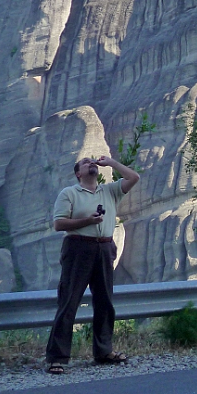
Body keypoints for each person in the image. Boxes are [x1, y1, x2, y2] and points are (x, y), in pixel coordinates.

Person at [45, 155, 140, 374]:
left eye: (93, 162)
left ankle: (104, 351)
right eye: (86, 163)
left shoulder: (109, 191)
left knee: (105, 301)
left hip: (105, 248)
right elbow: (59, 223)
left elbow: (133, 177)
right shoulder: (69, 193)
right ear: (78, 173)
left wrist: (112, 163)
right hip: (78, 248)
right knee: (69, 301)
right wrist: (87, 221)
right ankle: (56, 358)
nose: (92, 164)